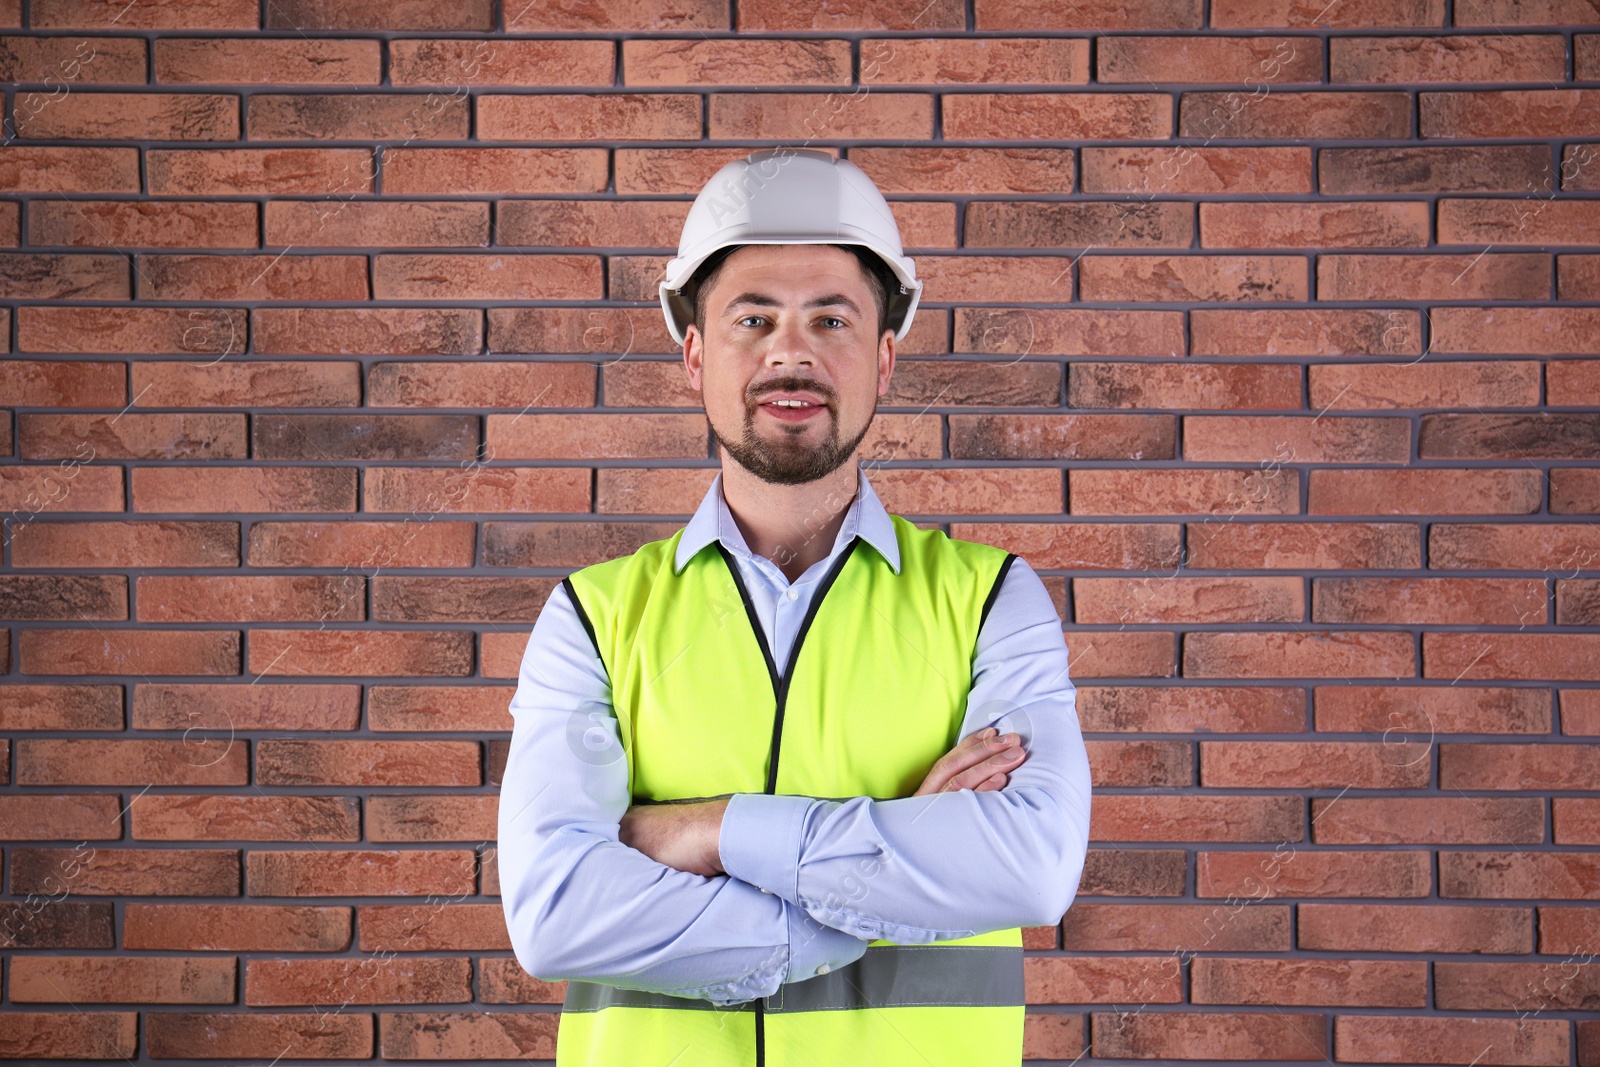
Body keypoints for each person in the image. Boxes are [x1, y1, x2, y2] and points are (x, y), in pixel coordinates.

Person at [497, 147, 1093, 1067]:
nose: (791, 348)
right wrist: (889, 884)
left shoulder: (989, 600)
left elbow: (1032, 865)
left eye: (830, 317)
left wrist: (707, 828)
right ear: (695, 357)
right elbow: (554, 915)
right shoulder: (593, 617)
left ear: (884, 359)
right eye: (754, 318)